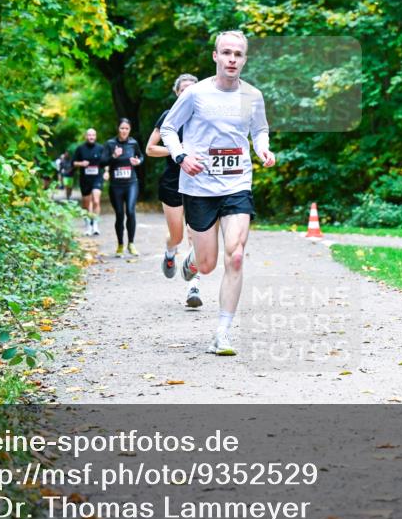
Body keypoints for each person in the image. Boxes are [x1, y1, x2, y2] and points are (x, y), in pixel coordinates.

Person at [160, 30, 276, 355]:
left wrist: (263, 149)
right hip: (199, 186)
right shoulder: (196, 94)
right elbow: (168, 128)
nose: (232, 59)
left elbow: (260, 129)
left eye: (238, 54)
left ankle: (222, 333)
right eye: (226, 53)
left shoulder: (253, 96)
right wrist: (181, 156)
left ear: (244, 59)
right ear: (215, 56)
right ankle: (195, 257)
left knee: (236, 255)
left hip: (237, 183)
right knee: (209, 265)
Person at [146, 73, 202, 308]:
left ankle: (193, 287)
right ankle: (170, 251)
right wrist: (177, 150)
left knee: (195, 235)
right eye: (183, 90)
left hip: (198, 181)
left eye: (192, 90)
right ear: (177, 93)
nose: (187, 94)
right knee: (178, 236)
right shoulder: (168, 117)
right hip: (172, 182)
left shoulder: (204, 117)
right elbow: (150, 149)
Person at [105, 118, 143, 256]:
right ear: (118, 129)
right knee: (120, 215)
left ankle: (131, 244)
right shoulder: (110, 144)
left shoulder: (133, 143)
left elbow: (141, 156)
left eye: (127, 128)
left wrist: (138, 161)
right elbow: (102, 161)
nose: (124, 131)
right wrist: (114, 156)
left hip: (131, 183)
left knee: (131, 212)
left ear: (130, 130)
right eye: (122, 128)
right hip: (116, 186)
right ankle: (120, 244)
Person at [72, 128, 108, 236]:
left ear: (95, 136)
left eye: (93, 135)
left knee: (96, 200)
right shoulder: (80, 149)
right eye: (89, 135)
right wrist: (81, 164)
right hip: (85, 179)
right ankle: (88, 225)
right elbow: (73, 163)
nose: (91, 137)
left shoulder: (100, 148)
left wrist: (106, 172)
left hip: (97, 177)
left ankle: (95, 224)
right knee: (86, 203)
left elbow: (106, 162)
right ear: (86, 136)